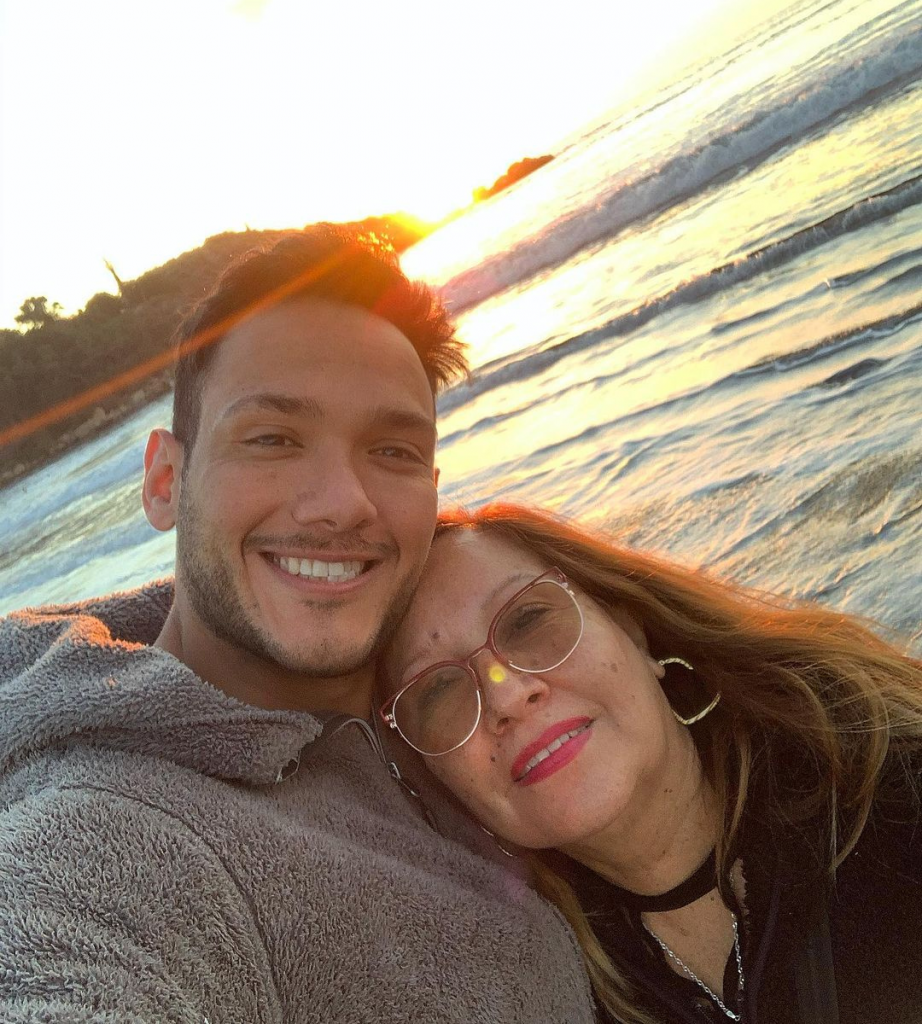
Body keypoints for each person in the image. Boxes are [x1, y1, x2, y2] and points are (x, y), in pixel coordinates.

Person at [0, 228, 598, 1023]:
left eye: (392, 450)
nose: (343, 502)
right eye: (274, 439)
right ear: (166, 481)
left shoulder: (459, 682)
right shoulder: (102, 841)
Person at [381, 502, 922, 1024]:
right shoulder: (537, 995)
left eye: (527, 620)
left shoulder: (893, 796)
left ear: (630, 628)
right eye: (438, 692)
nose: (507, 695)